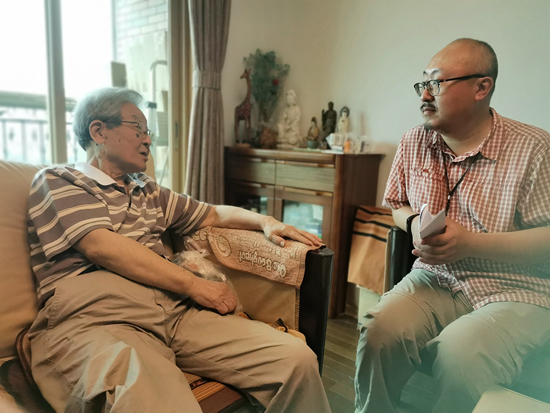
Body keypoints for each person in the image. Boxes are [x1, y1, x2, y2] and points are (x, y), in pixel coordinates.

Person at [27, 88, 331, 413]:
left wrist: (266, 221)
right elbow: (102, 247)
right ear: (99, 131)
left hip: (173, 310)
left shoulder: (147, 189)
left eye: (148, 132)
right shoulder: (60, 180)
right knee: (151, 398)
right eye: (138, 129)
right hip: (98, 316)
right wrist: (196, 285)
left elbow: (213, 214)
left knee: (296, 360)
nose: (148, 140)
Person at [355, 38, 550, 413]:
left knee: (460, 356)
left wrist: (471, 243)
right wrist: (413, 222)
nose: (425, 95)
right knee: (379, 330)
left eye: (437, 83)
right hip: (436, 277)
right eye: (422, 84)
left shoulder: (535, 148)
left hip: (517, 289)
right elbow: (396, 204)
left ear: (482, 87)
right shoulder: (414, 141)